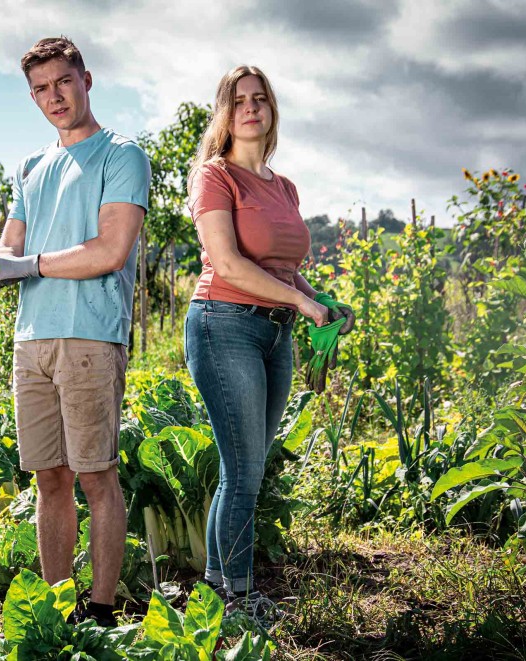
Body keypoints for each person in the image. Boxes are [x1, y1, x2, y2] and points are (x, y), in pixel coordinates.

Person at [0, 36, 151, 628]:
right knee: (49, 476)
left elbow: (110, 249)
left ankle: (99, 613)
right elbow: (11, 246)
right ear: (32, 96)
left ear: (87, 79)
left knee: (96, 475)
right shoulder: (30, 166)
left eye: (63, 82)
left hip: (90, 335)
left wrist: (28, 267)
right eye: (41, 89)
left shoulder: (121, 155)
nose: (55, 96)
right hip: (31, 338)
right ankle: (56, 610)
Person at [184, 65, 354, 623]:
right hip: (223, 323)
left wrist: (319, 301)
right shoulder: (215, 176)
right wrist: (301, 304)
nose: (251, 108)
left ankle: (216, 589)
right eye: (239, 101)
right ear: (225, 114)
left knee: (244, 469)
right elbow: (229, 262)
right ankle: (238, 598)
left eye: (260, 99)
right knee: (246, 471)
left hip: (274, 333)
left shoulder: (284, 187)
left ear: (272, 109)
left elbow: (285, 268)